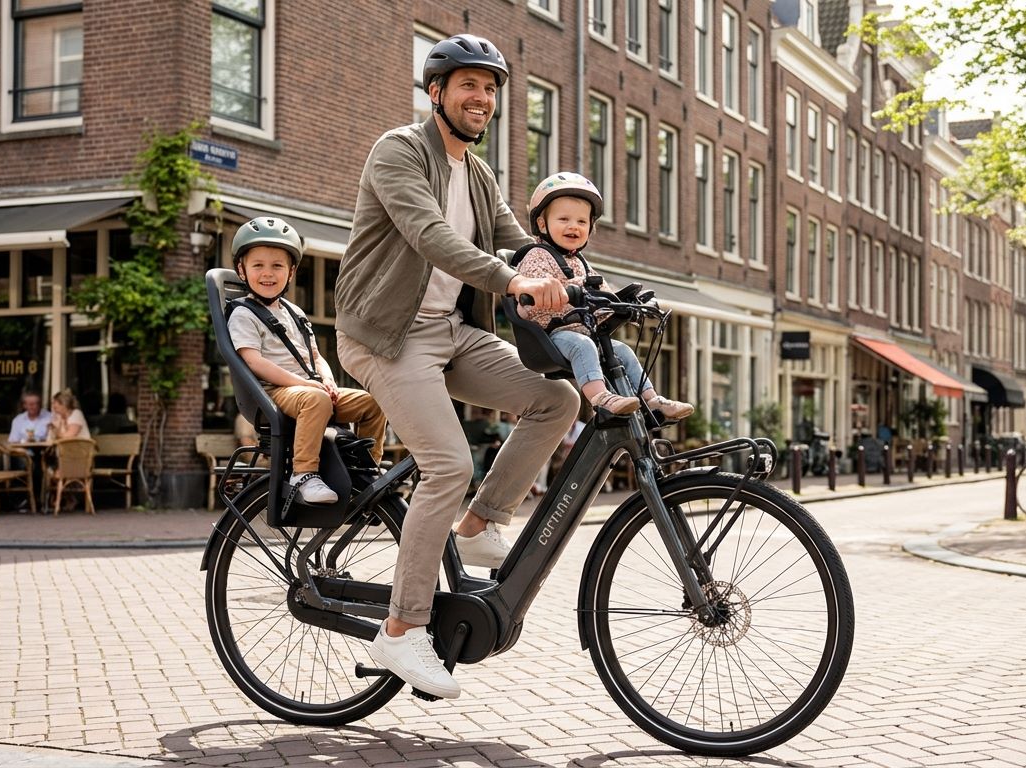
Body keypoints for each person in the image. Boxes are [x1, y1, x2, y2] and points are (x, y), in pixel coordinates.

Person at [333, 33, 580, 699]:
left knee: (558, 401)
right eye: (468, 84)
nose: (482, 97)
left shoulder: (478, 172)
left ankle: (477, 526)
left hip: (450, 332)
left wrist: (576, 275)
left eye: (491, 87)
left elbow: (517, 238)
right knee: (448, 464)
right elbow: (431, 237)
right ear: (436, 92)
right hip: (385, 335)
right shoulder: (398, 151)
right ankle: (403, 630)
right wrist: (516, 282)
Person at [228, 215, 388, 503]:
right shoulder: (243, 314)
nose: (268, 273)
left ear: (291, 272)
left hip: (309, 391)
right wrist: (307, 386)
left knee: (374, 401)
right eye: (258, 265)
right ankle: (303, 474)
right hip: (273, 393)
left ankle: (366, 468)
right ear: (242, 270)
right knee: (316, 400)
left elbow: (315, 356)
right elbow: (255, 362)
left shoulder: (295, 313)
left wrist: (325, 380)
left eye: (277, 266)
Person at [516, 172, 695, 420]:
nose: (573, 226)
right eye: (564, 219)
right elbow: (531, 291)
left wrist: (627, 305)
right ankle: (601, 398)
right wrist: (564, 290)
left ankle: (653, 400)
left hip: (585, 333)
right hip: (554, 335)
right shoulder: (536, 255)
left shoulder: (581, 262)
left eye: (581, 221)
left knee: (624, 352)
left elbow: (602, 292)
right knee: (584, 346)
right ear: (543, 224)